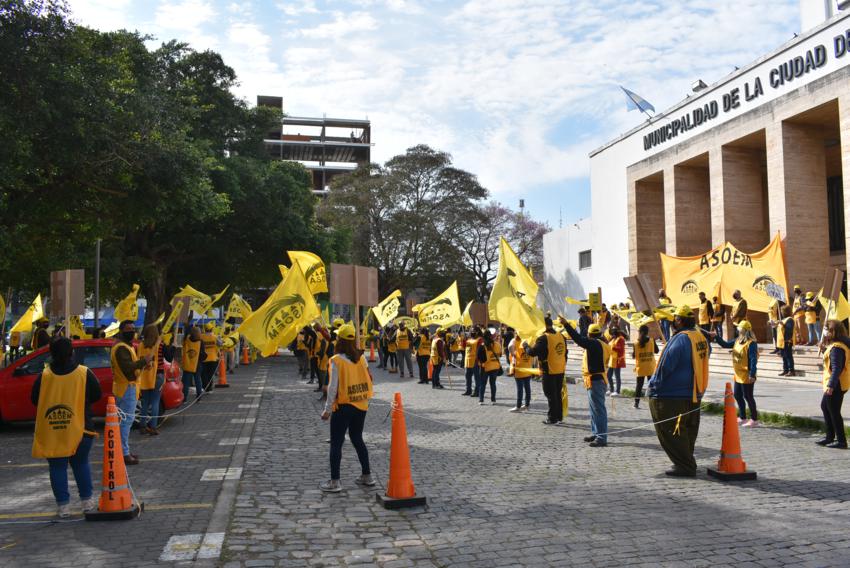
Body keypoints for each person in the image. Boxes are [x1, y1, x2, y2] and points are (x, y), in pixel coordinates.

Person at [31, 337, 102, 518]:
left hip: (53, 429)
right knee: (80, 464)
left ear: (51, 354)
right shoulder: (84, 373)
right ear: (72, 352)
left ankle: (63, 507)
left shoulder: (44, 376)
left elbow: (34, 399)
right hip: (81, 427)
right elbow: (97, 395)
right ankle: (87, 502)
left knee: (57, 467)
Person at [648, 305, 709, 477]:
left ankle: (685, 465)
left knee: (671, 431)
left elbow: (666, 366)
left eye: (675, 319)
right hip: (693, 393)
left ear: (679, 321)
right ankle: (686, 460)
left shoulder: (680, 339)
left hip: (671, 395)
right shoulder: (699, 337)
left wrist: (653, 385)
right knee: (687, 430)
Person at [320, 323, 375, 492]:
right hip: (361, 403)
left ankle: (335, 482)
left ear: (340, 340)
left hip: (343, 405)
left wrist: (327, 410)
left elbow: (332, 387)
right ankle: (367, 476)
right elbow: (370, 378)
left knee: (336, 442)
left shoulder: (336, 360)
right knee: (357, 438)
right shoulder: (362, 357)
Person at [561, 320, 610, 447]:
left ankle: (601, 437)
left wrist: (566, 325)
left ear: (589, 334)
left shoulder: (594, 344)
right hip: (596, 379)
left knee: (598, 409)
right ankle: (596, 432)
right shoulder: (603, 344)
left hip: (596, 380)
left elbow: (578, 339)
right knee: (594, 409)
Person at [110, 320, 152, 466]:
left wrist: (142, 365)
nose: (132, 331)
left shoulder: (125, 346)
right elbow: (128, 368)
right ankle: (124, 453)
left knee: (124, 421)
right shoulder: (121, 347)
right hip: (126, 388)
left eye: (134, 328)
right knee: (126, 422)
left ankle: (124, 450)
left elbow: (131, 368)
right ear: (121, 330)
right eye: (129, 329)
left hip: (125, 387)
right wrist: (143, 362)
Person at [715, 320, 760, 426]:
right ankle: (743, 417)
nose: (737, 329)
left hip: (746, 374)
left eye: (739, 328)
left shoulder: (751, 343)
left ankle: (754, 419)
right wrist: (716, 337)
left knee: (748, 396)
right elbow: (725, 344)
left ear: (744, 330)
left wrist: (752, 374)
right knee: (738, 395)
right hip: (738, 374)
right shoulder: (737, 340)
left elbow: (753, 360)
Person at [525, 316, 567, 424]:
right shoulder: (561, 336)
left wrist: (525, 346)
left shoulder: (543, 338)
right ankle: (559, 417)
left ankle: (552, 418)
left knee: (550, 394)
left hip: (549, 369)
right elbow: (565, 353)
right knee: (557, 393)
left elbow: (532, 352)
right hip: (560, 369)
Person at [816, 319, 850, 449]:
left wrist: (831, 385)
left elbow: (837, 368)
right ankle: (829, 437)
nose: (824, 332)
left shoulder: (837, 348)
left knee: (834, 411)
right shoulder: (835, 345)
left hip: (836, 384)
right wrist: (824, 348)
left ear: (833, 331)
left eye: (826, 329)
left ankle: (841, 441)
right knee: (825, 407)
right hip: (835, 383)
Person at [137, 324, 165, 435]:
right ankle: (153, 426)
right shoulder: (159, 345)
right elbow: (168, 357)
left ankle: (142, 425)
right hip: (157, 375)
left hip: (144, 375)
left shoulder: (140, 345)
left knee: (145, 402)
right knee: (155, 402)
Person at [632, 324, 658, 409]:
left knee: (639, 386)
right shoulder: (651, 340)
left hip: (641, 367)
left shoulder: (635, 343)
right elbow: (656, 351)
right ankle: (653, 402)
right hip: (650, 366)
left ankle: (636, 403)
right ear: (647, 332)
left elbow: (633, 355)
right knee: (652, 386)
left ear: (639, 332)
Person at [477, 329, 502, 405]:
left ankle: (481, 400)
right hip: (495, 367)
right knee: (493, 384)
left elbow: (479, 356)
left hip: (485, 367)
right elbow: (500, 354)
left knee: (482, 384)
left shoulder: (483, 345)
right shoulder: (497, 344)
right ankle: (493, 400)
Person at [510, 334, 534, 412]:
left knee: (519, 389)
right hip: (527, 368)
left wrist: (513, 353)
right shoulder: (529, 341)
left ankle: (518, 406)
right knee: (527, 387)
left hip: (519, 368)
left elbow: (510, 348)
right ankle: (527, 405)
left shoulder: (515, 341)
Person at [181, 325, 204, 402]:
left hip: (187, 363)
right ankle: (199, 396)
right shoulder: (201, 342)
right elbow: (202, 354)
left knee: (186, 382)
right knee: (198, 380)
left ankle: (184, 398)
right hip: (197, 364)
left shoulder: (186, 340)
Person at [199, 322, 221, 391]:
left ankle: (205, 387)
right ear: (211, 329)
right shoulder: (215, 337)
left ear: (205, 329)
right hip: (213, 358)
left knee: (204, 374)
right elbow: (220, 344)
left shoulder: (201, 337)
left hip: (203, 358)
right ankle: (209, 387)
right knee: (210, 374)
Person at [776, 305, 796, 377]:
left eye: (782, 311)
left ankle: (791, 370)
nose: (781, 312)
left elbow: (789, 329)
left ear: (785, 312)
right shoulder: (784, 319)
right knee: (784, 356)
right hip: (781, 341)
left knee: (788, 356)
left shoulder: (790, 319)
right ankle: (785, 370)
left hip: (787, 341)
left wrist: (782, 324)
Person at [462, 327, 481, 396]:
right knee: (467, 377)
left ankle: (477, 391)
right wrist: (463, 340)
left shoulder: (479, 340)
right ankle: (468, 390)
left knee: (477, 377)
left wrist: (478, 359)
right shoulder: (468, 339)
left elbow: (480, 350)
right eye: (471, 331)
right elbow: (464, 347)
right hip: (467, 360)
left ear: (478, 332)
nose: (472, 332)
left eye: (473, 331)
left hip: (475, 361)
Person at [607, 327, 626, 396]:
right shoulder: (613, 339)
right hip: (611, 360)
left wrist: (612, 347)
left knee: (617, 376)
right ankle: (611, 389)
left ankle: (617, 391)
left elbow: (620, 349)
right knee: (608, 375)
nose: (612, 335)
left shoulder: (621, 339)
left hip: (618, 360)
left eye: (612, 334)